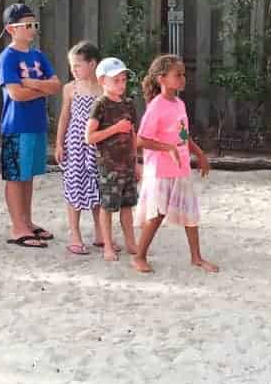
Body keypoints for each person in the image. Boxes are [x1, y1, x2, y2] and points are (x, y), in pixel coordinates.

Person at [133, 54, 218, 274]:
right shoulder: (156, 107)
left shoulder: (179, 103)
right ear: (162, 79)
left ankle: (196, 257)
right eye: (177, 75)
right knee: (157, 214)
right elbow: (140, 140)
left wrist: (199, 154)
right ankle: (139, 256)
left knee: (190, 212)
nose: (182, 78)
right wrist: (167, 148)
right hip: (160, 170)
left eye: (183, 74)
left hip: (181, 168)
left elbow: (183, 134)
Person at [0, 3, 61, 248]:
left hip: (37, 123)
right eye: (28, 25)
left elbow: (56, 85)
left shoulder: (38, 55)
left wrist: (31, 84)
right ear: (11, 29)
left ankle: (27, 221)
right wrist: (41, 87)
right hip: (17, 125)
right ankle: (17, 227)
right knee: (16, 176)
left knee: (28, 176)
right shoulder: (7, 57)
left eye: (35, 24)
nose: (33, 29)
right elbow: (15, 94)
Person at [85, 57, 139, 262]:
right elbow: (89, 137)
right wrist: (115, 129)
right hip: (109, 166)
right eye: (116, 80)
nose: (121, 84)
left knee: (127, 205)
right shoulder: (100, 105)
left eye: (124, 80)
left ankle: (131, 243)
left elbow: (133, 134)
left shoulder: (128, 104)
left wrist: (136, 162)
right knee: (108, 206)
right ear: (102, 81)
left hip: (127, 164)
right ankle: (107, 245)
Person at [55, 41, 102, 255]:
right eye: (71, 66)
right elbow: (65, 117)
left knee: (97, 185)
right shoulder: (70, 88)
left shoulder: (104, 87)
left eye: (77, 66)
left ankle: (101, 232)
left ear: (92, 64)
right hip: (74, 144)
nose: (73, 70)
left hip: (98, 144)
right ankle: (74, 233)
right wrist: (58, 143)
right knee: (75, 185)